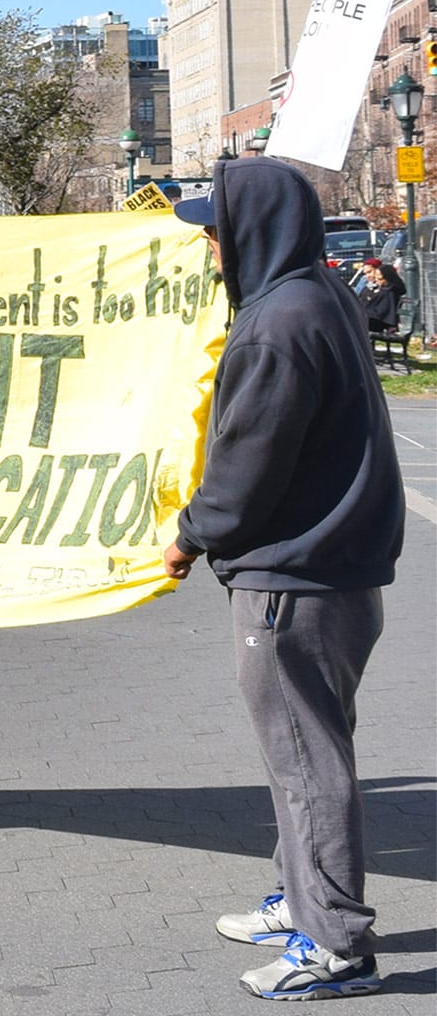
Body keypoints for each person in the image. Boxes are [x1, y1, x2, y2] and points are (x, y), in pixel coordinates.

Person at [163, 157, 404, 1001]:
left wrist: (190, 537)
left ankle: (335, 945)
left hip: (293, 580)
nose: (208, 247)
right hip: (335, 572)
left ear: (250, 230)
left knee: (306, 762)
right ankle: (299, 900)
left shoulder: (276, 326)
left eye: (215, 230)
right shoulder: (317, 294)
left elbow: (248, 463)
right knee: (304, 750)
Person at [361, 260, 406, 332]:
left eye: (379, 279)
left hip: (377, 322)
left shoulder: (389, 292)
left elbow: (383, 312)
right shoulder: (376, 288)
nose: (376, 280)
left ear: (387, 278)